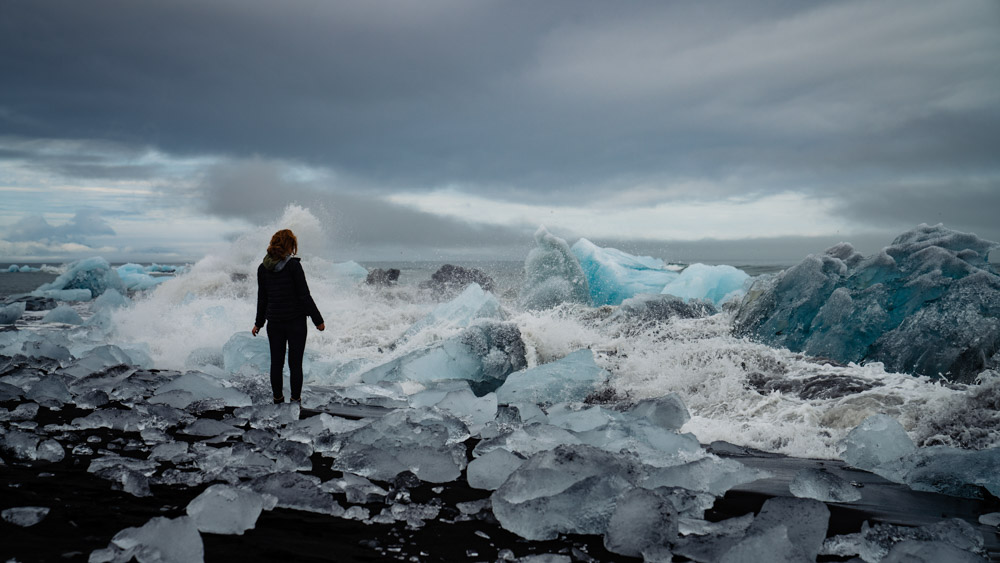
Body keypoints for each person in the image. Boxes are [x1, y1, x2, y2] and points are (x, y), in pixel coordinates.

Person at [252, 229, 325, 404]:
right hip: (296, 323)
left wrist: (258, 323)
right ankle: (295, 402)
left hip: (274, 323)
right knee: (295, 364)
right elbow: (304, 295)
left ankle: (278, 400)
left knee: (276, 364)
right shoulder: (293, 266)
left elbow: (262, 298)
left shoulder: (263, 268)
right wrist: (318, 320)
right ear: (288, 245)